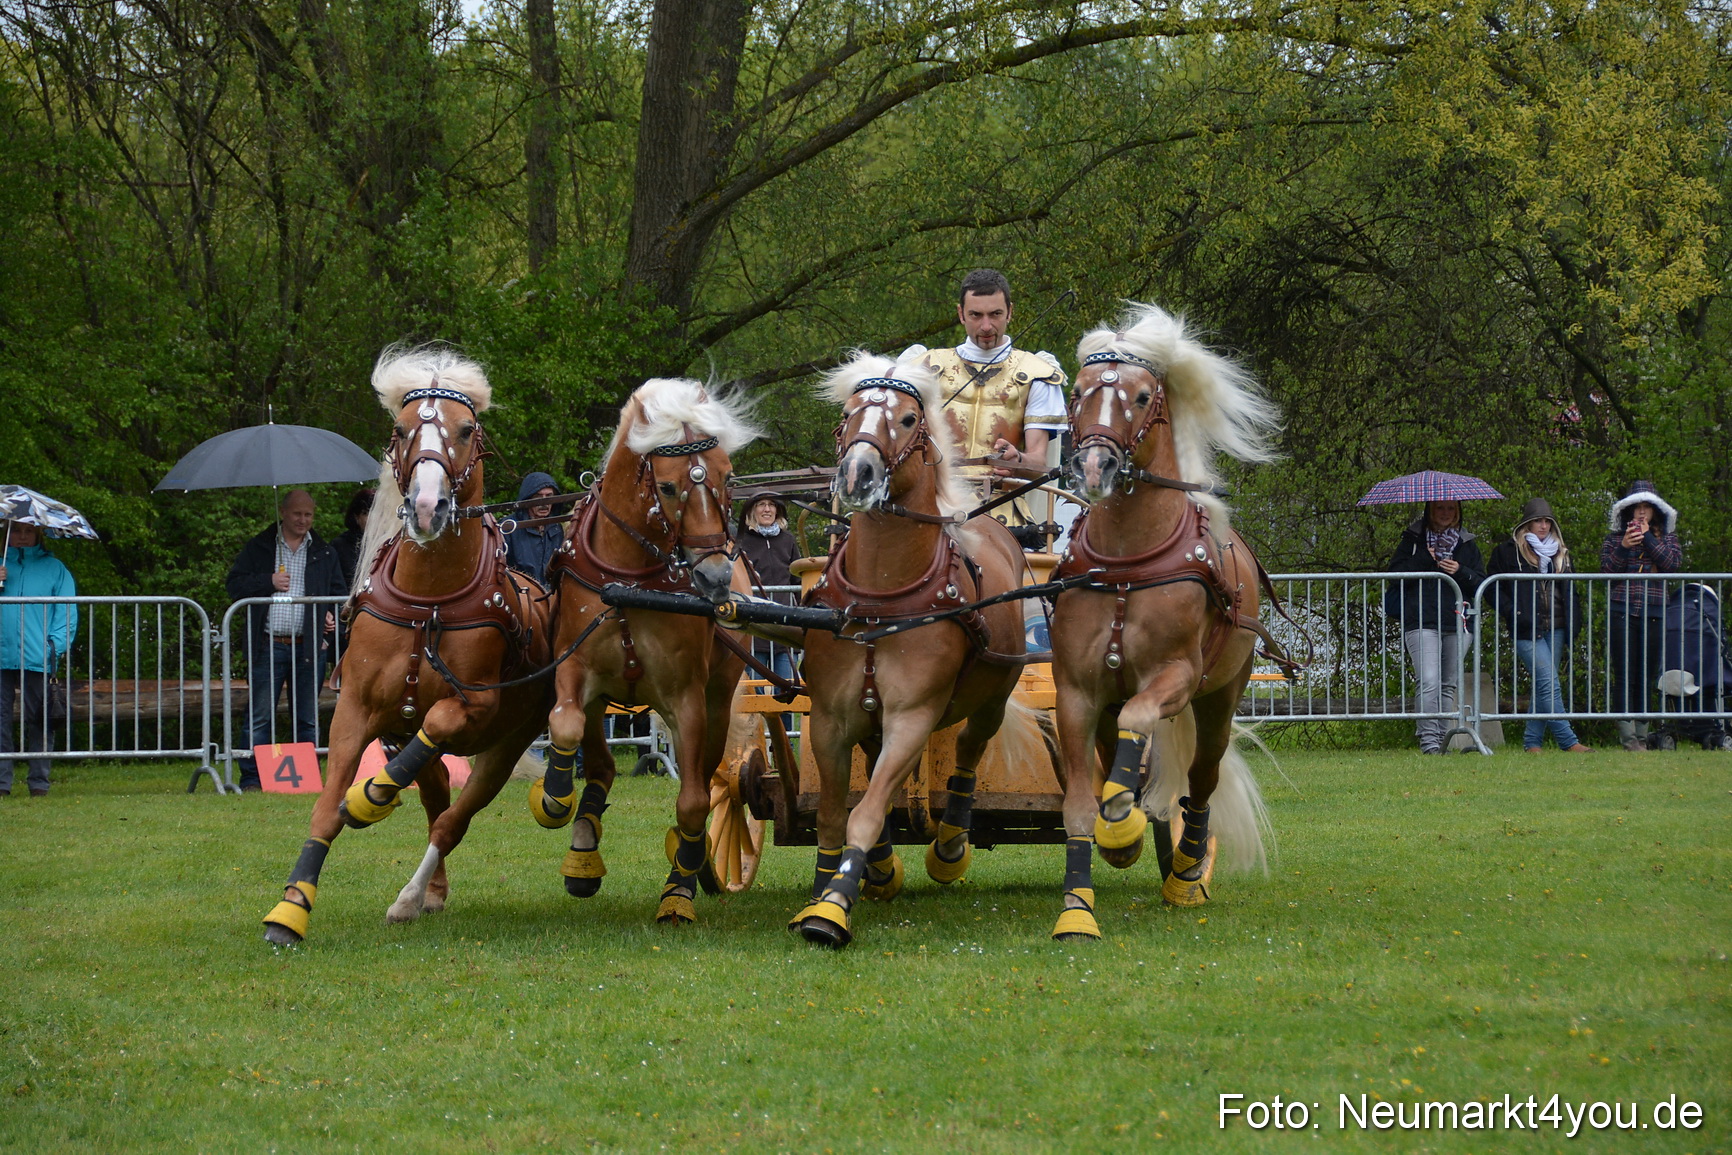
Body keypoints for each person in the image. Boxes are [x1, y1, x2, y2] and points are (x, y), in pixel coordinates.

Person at [910, 268, 1068, 547]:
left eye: (995, 314)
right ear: (961, 314)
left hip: (1005, 518)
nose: (986, 326)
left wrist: (1017, 461)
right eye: (976, 315)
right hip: (931, 510)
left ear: (1010, 312)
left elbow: (1040, 464)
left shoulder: (1037, 374)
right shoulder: (923, 368)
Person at [225, 490, 346, 791]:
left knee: (307, 717)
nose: (303, 520)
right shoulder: (259, 547)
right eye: (297, 514)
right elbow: (235, 585)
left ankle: (306, 778)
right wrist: (268, 581)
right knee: (260, 715)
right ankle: (252, 779)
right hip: (268, 643)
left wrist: (329, 616)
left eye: (308, 514)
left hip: (310, 646)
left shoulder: (324, 552)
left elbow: (338, 595)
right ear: (283, 512)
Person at [1487, 498, 1591, 753]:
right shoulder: (1508, 551)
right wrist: (1513, 612)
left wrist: (1574, 620)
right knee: (1548, 683)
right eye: (1538, 521)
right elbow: (1491, 588)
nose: (1543, 526)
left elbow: (1570, 591)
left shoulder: (1561, 551)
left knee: (1544, 685)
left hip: (1557, 626)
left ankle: (1532, 742)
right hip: (1526, 627)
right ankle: (1568, 741)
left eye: (1547, 521)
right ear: (1527, 523)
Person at [1384, 499, 1486, 754]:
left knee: (1447, 684)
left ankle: (1442, 742)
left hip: (1458, 621)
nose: (1445, 513)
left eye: (1451, 508)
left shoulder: (1467, 543)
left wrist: (1460, 570)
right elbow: (1394, 575)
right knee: (1429, 680)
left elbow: (1482, 583)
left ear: (1458, 512)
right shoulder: (1412, 540)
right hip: (1421, 620)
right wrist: (1423, 559)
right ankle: (1429, 742)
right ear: (1430, 510)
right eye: (1440, 508)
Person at [1598, 479, 1682, 752]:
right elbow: (1607, 572)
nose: (1642, 511)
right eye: (1637, 506)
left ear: (1656, 510)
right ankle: (1628, 738)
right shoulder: (1614, 538)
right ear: (1629, 510)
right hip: (1622, 610)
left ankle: (1643, 738)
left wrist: (1648, 538)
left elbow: (1672, 564)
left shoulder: (1667, 538)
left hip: (1655, 611)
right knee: (1624, 675)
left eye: (1647, 506)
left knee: (1647, 676)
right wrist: (1624, 545)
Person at [0, 521, 77, 797]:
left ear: (38, 534)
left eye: (28, 531)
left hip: (38, 657)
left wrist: (53, 648)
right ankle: (1, 784)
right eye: (16, 530)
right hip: (1, 655)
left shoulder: (55, 569)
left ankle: (39, 783)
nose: (22, 536)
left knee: (41, 720)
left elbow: (66, 613)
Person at [735, 493, 800, 685]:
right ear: (751, 511)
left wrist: (803, 615)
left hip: (785, 630)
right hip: (754, 630)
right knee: (755, 690)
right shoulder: (741, 541)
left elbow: (797, 579)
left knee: (789, 687)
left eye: (771, 505)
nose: (767, 509)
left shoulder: (787, 540)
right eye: (761, 504)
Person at [503, 471, 564, 586]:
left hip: (550, 593)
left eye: (549, 496)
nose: (544, 503)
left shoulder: (556, 528)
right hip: (520, 592)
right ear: (528, 498)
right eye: (538, 497)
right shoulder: (508, 527)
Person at [333, 487, 375, 591]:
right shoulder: (339, 546)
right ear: (356, 517)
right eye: (366, 513)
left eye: (376, 512)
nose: (372, 518)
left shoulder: (389, 543)